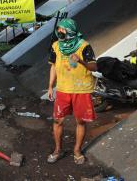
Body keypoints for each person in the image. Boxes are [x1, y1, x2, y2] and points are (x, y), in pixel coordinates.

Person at [46, 18, 97, 165]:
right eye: (59, 29)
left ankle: (77, 151)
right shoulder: (55, 46)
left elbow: (94, 67)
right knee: (57, 120)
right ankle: (57, 150)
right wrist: (50, 86)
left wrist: (81, 61)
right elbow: (53, 67)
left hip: (81, 89)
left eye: (63, 29)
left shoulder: (84, 46)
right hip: (63, 89)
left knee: (80, 121)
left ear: (70, 30)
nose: (60, 32)